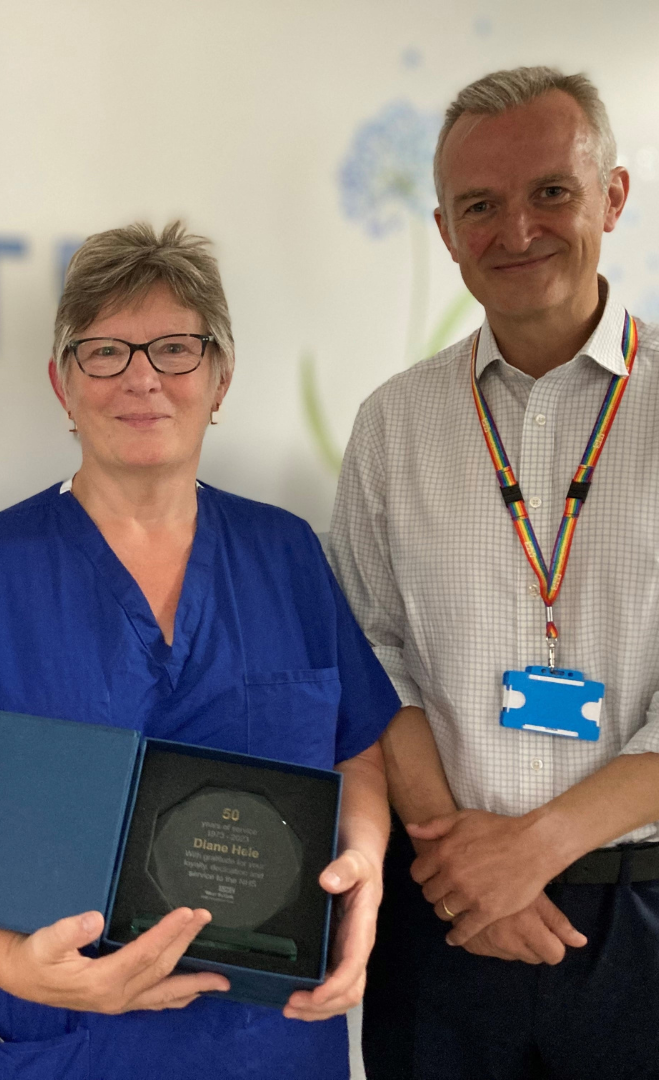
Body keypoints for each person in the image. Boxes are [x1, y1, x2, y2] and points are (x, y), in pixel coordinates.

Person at [0, 221, 400, 1080]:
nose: (143, 377)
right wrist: (11, 966)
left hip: (262, 1041)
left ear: (221, 377)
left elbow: (358, 749)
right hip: (61, 1036)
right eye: (105, 353)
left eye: (176, 349)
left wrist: (368, 864)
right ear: (62, 384)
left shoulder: (286, 554)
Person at [328, 67, 659, 1079]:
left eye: (550, 191)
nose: (516, 229)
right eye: (481, 205)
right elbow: (366, 651)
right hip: (446, 913)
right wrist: (464, 862)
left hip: (641, 916)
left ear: (612, 194)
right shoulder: (395, 422)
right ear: (442, 228)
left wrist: (535, 849)